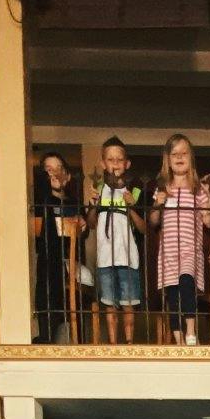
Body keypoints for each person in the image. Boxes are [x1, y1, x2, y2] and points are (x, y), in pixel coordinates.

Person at [149, 133, 210, 345]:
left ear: (191, 158)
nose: (179, 157)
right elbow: (153, 221)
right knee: (173, 295)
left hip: (189, 249)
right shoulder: (162, 189)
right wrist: (158, 204)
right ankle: (179, 342)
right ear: (167, 159)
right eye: (174, 153)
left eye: (184, 153)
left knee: (187, 282)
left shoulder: (198, 190)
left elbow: (209, 222)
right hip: (168, 252)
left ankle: (191, 332)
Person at [86, 137, 145, 344]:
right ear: (103, 163)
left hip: (128, 256)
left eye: (119, 160)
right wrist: (93, 204)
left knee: (129, 302)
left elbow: (143, 228)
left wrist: (131, 206)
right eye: (110, 159)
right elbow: (91, 223)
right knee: (109, 303)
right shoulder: (98, 187)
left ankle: (129, 342)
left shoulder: (134, 189)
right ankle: (112, 343)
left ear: (127, 164)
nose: (115, 164)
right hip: (104, 256)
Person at [31, 151, 80, 344]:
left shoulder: (73, 204)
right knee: (46, 267)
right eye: (49, 170)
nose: (54, 174)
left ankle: (56, 328)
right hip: (46, 259)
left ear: (67, 176)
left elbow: (81, 235)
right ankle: (47, 328)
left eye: (59, 169)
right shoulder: (39, 204)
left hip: (69, 260)